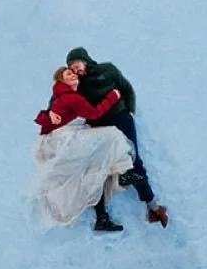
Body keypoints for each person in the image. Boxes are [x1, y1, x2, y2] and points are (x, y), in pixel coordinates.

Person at [66, 47, 167, 226]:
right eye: (71, 68)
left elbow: (127, 89)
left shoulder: (108, 70)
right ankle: (101, 218)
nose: (75, 70)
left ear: (85, 60)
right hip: (99, 127)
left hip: (121, 119)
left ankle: (152, 207)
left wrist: (130, 112)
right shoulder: (76, 85)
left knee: (133, 159)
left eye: (77, 64)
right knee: (98, 168)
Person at [31, 66, 134, 232]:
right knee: (113, 136)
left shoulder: (61, 96)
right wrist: (113, 96)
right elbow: (93, 114)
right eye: (68, 74)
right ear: (61, 80)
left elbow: (42, 118)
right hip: (67, 140)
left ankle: (101, 217)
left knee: (94, 167)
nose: (72, 75)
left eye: (73, 73)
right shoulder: (71, 97)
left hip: (61, 141)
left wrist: (48, 115)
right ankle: (124, 173)